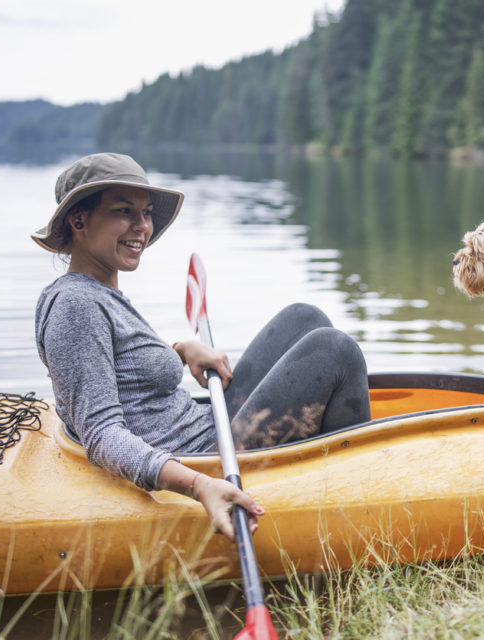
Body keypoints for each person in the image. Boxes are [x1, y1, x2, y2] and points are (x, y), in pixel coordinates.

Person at [32, 152, 371, 540]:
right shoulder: (75, 305)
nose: (142, 226)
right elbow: (101, 435)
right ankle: (363, 500)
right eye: (124, 211)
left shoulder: (97, 293)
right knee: (335, 351)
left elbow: (120, 367)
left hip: (212, 427)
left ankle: (324, 470)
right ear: (78, 220)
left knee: (304, 316)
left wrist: (179, 350)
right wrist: (198, 485)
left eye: (145, 213)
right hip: (205, 457)